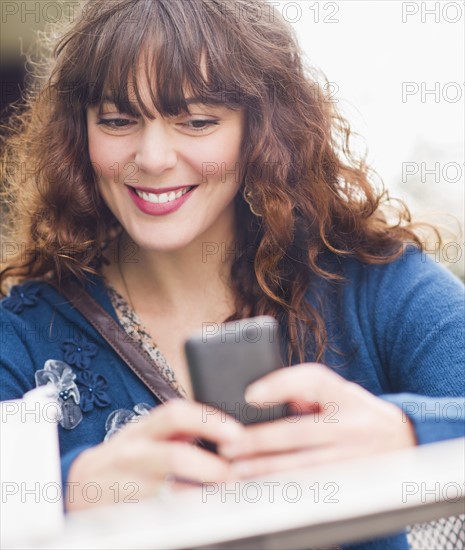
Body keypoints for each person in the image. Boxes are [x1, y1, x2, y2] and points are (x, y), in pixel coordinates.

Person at [1, 0, 463, 548]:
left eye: (196, 121)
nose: (152, 157)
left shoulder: (375, 284)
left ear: (262, 131)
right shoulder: (21, 336)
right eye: (118, 120)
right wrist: (63, 489)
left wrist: (409, 431)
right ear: (79, 134)